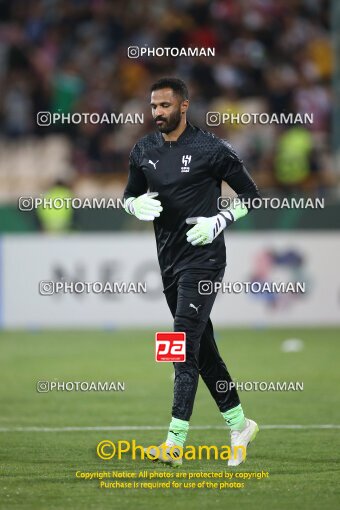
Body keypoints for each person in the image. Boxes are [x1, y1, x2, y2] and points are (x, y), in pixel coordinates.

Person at [123, 77, 260, 467]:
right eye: (153, 107)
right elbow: (128, 194)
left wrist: (220, 220)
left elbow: (252, 196)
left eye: (164, 106)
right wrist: (133, 206)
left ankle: (174, 443)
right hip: (168, 263)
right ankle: (239, 423)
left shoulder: (212, 149)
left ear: (184, 106)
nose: (157, 114)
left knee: (179, 343)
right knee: (201, 347)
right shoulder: (143, 149)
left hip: (205, 260)